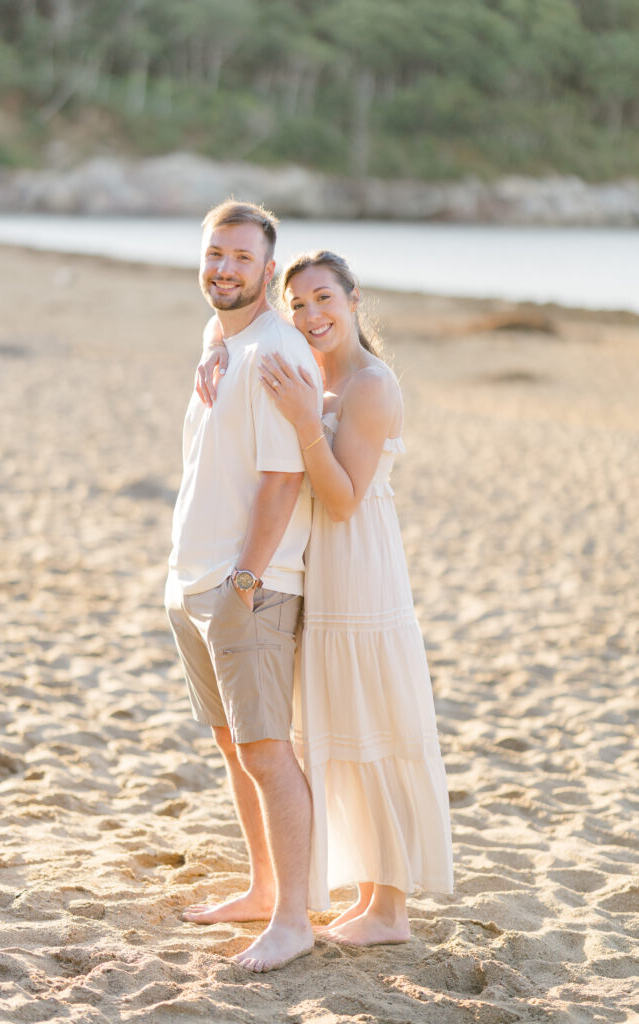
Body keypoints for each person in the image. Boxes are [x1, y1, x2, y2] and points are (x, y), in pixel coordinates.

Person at [197, 249, 453, 946]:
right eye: (297, 303)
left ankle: (390, 909)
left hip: (359, 568)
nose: (310, 315)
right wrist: (215, 356)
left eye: (323, 300)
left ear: (353, 300)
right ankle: (369, 896)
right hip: (315, 570)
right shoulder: (311, 373)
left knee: (373, 727)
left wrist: (308, 423)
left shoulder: (370, 384)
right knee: (336, 730)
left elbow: (341, 500)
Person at [165, 200, 322, 972]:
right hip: (194, 579)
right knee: (234, 748)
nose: (224, 268)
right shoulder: (219, 339)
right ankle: (263, 889)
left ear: (268, 270)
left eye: (241, 258)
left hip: (247, 586)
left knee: (266, 751)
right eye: (214, 254)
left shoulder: (274, 350)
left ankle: (292, 919)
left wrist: (244, 580)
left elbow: (283, 479)